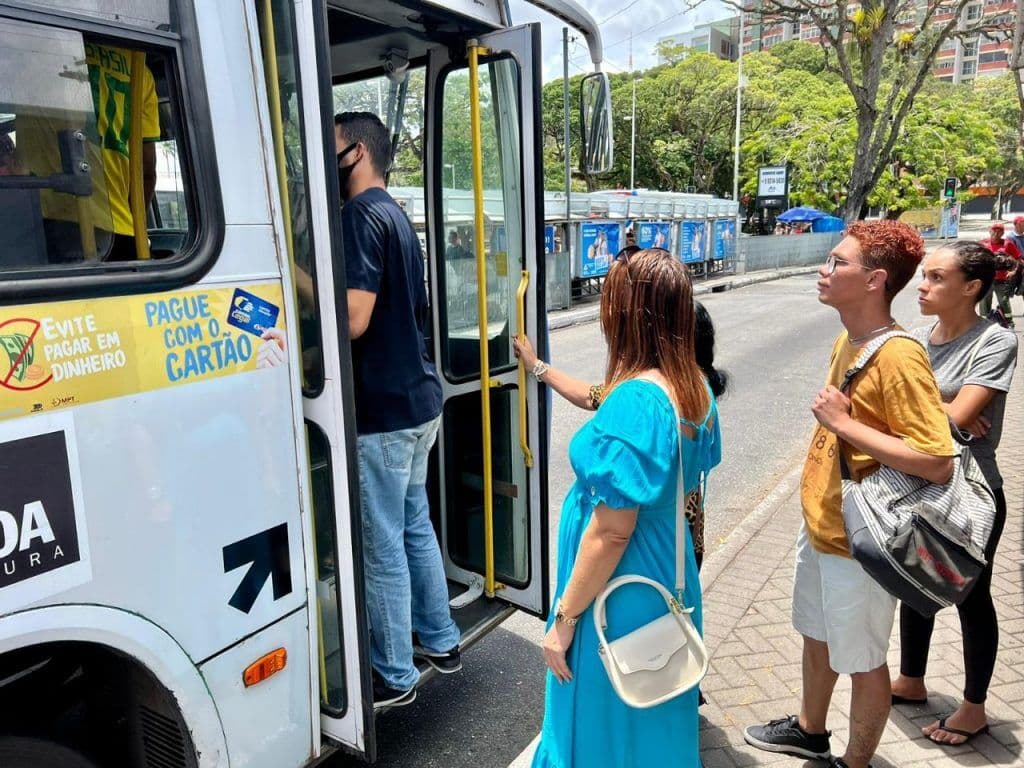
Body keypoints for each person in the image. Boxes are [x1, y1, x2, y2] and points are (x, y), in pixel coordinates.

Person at [744, 221, 955, 768]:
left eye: (839, 262)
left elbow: (936, 462)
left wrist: (844, 423)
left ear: (874, 281)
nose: (824, 268)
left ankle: (854, 763)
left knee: (862, 658)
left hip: (864, 540)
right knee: (817, 633)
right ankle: (811, 732)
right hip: (824, 524)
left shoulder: (899, 357)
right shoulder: (849, 339)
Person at [528, 248, 720, 768]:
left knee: (597, 722)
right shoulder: (694, 386)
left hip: (616, 585)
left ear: (627, 314)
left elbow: (612, 531)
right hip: (665, 571)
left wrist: (564, 618)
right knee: (652, 718)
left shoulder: (635, 400)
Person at [334, 111, 458, 709]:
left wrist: (303, 279)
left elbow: (354, 320)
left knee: (382, 542)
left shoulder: (358, 217)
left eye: (329, 148)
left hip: (381, 413)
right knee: (415, 526)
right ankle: (440, 638)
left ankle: (395, 675)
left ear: (355, 152)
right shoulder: (397, 215)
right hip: (420, 402)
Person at [890, 241, 1017, 745]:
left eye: (936, 278)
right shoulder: (918, 341)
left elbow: (962, 419)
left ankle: (974, 707)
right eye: (924, 275)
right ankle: (912, 679)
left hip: (972, 492)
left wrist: (932, 406)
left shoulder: (996, 341)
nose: (922, 285)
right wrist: (945, 406)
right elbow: (890, 405)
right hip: (919, 482)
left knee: (971, 595)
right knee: (913, 582)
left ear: (972, 288)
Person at [978, 222, 1021, 325]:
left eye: (999, 231)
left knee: (1004, 301)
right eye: (994, 230)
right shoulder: (982, 243)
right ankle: (983, 324)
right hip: (986, 279)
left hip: (1002, 280)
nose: (996, 233)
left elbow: (1019, 259)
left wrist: (1013, 271)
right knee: (984, 301)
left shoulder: (1007, 243)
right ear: (990, 231)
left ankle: (1009, 323)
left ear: (1003, 232)